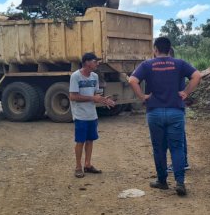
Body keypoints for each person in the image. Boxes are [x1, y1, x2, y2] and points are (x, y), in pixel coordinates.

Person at [129, 37, 201, 196]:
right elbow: (197, 75)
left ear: (155, 49)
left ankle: (162, 181)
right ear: (169, 49)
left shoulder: (147, 65)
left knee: (159, 148)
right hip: (175, 111)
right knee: (177, 147)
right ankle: (180, 182)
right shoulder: (180, 63)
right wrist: (186, 92)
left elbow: (132, 80)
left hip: (154, 112)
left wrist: (142, 96)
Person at [69, 52, 115, 178]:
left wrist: (104, 100)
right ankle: (78, 167)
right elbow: (73, 96)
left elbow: (96, 96)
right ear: (87, 63)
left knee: (90, 141)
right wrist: (92, 98)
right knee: (80, 141)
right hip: (80, 115)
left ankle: (88, 165)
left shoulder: (94, 76)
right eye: (95, 61)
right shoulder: (75, 76)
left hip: (92, 115)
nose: (97, 63)